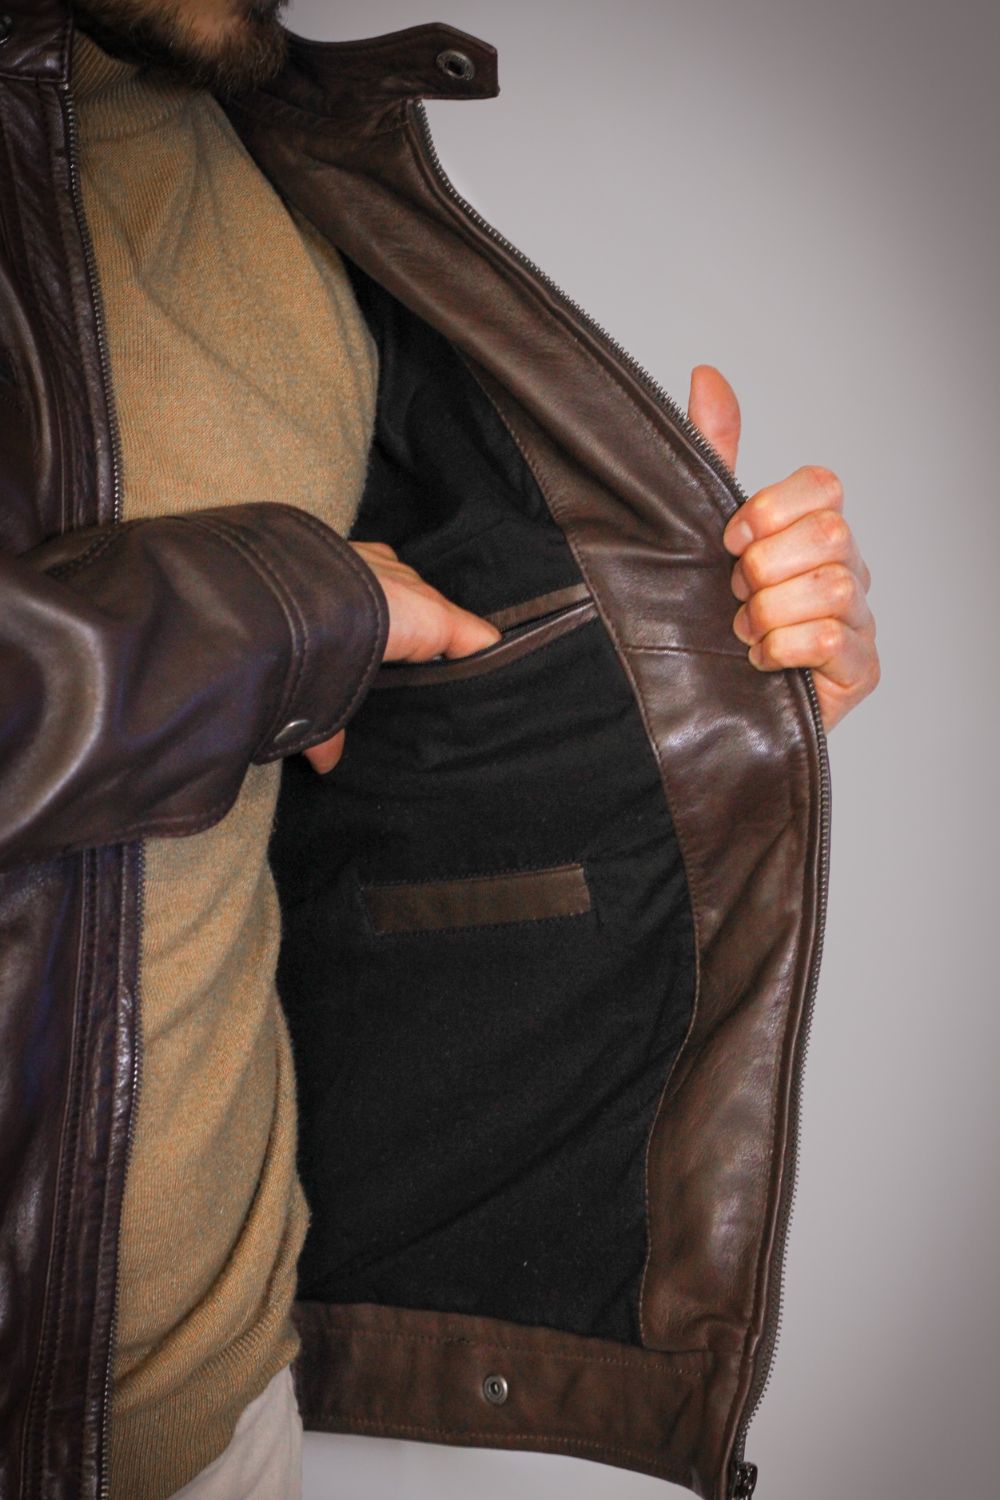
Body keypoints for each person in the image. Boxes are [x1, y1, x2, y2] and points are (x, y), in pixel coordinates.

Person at [0, 2, 880, 1498]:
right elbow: (306, 627)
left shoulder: (277, 181)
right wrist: (290, 605)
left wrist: (689, 676)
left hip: (217, 1414)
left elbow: (358, 766)